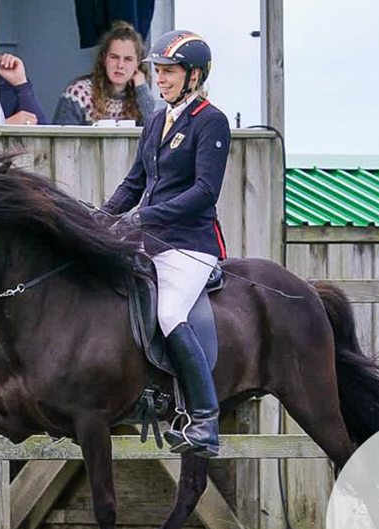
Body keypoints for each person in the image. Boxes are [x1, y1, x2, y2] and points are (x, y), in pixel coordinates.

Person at [98, 30, 230, 458]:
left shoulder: (211, 121)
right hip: (151, 239)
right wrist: (101, 217)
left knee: (170, 312)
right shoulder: (157, 121)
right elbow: (135, 183)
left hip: (191, 244)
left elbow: (204, 191)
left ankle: (205, 420)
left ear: (193, 75)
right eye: (157, 71)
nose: (161, 79)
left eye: (169, 71)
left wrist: (144, 217)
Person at [52, 21, 155, 126]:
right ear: (104, 58)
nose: (120, 65)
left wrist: (142, 88)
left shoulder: (140, 96)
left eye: (128, 59)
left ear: (138, 63)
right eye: (114, 57)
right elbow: (62, 138)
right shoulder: (79, 93)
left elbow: (156, 130)